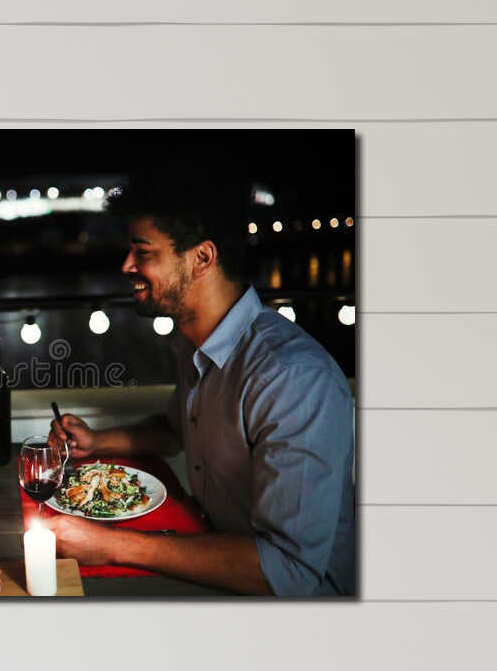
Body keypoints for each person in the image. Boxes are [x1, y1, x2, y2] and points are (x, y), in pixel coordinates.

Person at [46, 180, 355, 597]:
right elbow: (176, 429)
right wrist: (95, 441)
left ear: (202, 258)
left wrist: (110, 546)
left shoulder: (291, 377)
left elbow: (289, 571)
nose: (127, 266)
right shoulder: (196, 339)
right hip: (216, 557)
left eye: (143, 252)